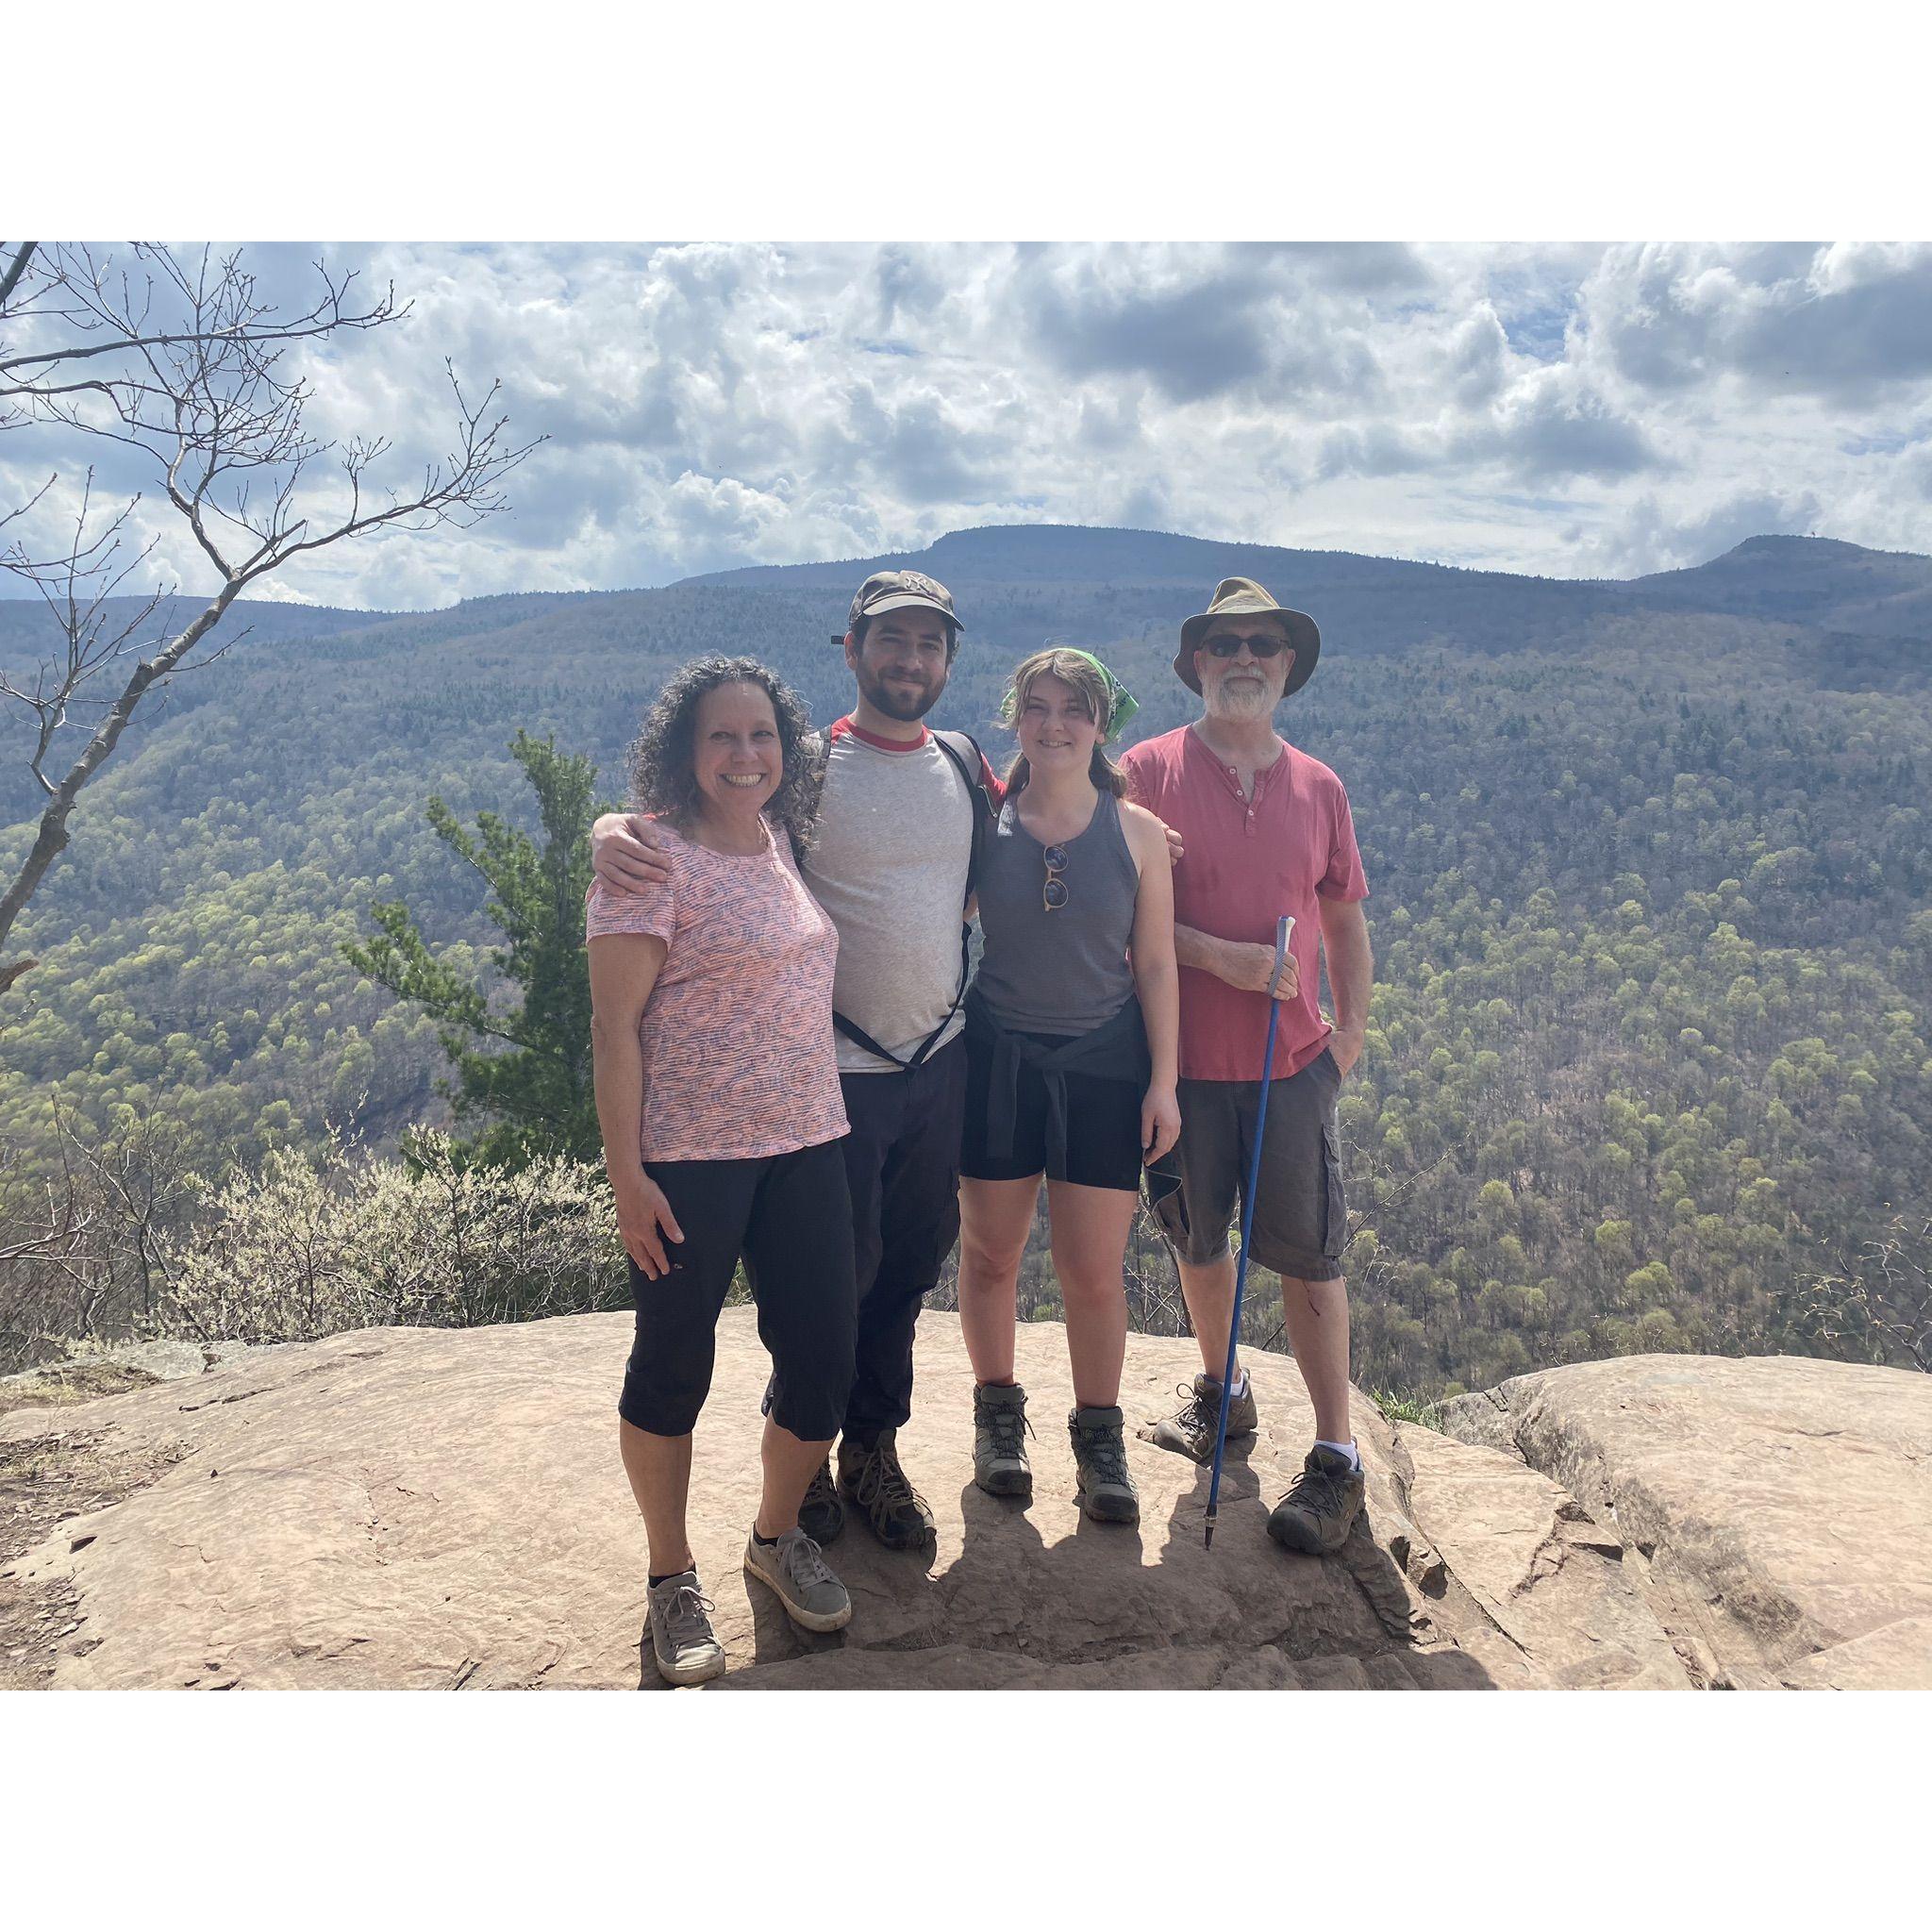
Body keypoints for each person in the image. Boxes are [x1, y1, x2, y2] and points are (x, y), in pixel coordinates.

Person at [591, 572, 997, 1561]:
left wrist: (1131, 813)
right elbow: (686, 816)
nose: (909, 659)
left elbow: (1036, 822)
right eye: (889, 639)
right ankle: (796, 1472)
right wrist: (605, 829)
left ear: (948, 660)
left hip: (932, 1065)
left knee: (904, 1271)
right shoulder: (798, 766)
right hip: (830, 1082)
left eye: (928, 643)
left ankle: (869, 1450)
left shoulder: (960, 760)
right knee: (830, 1290)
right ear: (850, 648)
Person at [587, 656, 858, 1686]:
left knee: (822, 1357)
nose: (745, 754)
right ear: (684, 749)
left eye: (761, 735)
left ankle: (774, 1536)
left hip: (807, 1142)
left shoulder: (779, 836)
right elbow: (613, 1029)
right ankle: (670, 1575)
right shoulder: (647, 860)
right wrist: (628, 1177)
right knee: (672, 1366)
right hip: (689, 1160)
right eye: (721, 736)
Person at [1125, 577, 1375, 1556]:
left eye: (1261, 644)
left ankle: (1335, 1455)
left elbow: (1344, 922)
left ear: (1286, 665)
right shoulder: (1143, 773)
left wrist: (1347, 1037)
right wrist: (1220, 959)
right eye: (1224, 643)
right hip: (1178, 1064)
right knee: (1197, 1238)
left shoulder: (1319, 787)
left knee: (1309, 1257)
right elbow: (1115, 917)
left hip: (1290, 1066)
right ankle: (1222, 1391)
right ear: (1196, 662)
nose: (1242, 658)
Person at [956, 647, 1179, 1527]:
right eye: (1037, 707)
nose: (1054, 725)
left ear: (1101, 724)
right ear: (1016, 719)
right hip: (998, 1058)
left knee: (1092, 1271)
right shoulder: (987, 825)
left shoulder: (1138, 834)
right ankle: (997, 1421)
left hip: (1103, 1065)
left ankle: (1099, 1439)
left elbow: (1155, 965)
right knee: (991, 1255)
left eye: (1074, 709)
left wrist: (1164, 1083)